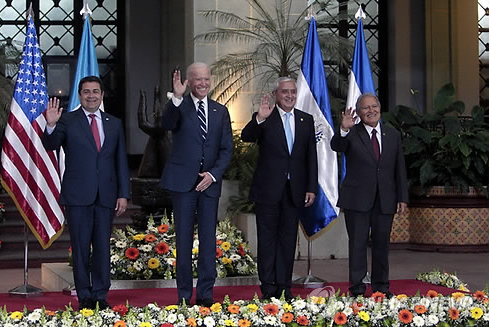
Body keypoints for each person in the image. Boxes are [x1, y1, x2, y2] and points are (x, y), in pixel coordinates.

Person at [42, 76, 130, 310]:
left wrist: (123, 193)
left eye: (95, 92)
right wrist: (50, 125)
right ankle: (85, 297)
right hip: (78, 196)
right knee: (80, 249)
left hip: (106, 196)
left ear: (102, 95)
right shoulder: (67, 121)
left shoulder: (115, 123)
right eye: (86, 92)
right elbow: (50, 145)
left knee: (102, 247)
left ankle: (101, 295)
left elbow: (120, 160)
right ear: (79, 95)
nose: (91, 96)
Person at [159, 62, 233, 306]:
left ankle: (205, 294)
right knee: (183, 240)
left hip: (209, 185)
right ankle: (183, 295)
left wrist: (212, 175)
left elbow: (226, 149)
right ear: (189, 81)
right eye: (197, 79)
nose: (203, 84)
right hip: (183, 185)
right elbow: (167, 124)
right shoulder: (180, 106)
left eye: (206, 79)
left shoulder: (220, 111)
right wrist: (176, 98)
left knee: (208, 242)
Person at [241, 77, 318, 300]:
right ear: (276, 94)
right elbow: (247, 136)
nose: (289, 96)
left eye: (293, 92)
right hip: (268, 191)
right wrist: (259, 118)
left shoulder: (306, 120)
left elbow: (310, 157)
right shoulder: (267, 117)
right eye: (285, 92)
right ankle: (268, 288)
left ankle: (285, 287)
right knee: (267, 241)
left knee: (287, 241)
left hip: (294, 191)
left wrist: (311, 187)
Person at [330, 93, 408, 297]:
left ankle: (381, 287)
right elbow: (336, 146)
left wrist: (402, 197)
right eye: (366, 108)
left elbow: (399, 168)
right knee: (357, 245)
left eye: (374, 106)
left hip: (385, 199)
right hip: (357, 199)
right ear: (358, 112)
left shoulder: (392, 134)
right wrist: (344, 129)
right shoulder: (352, 133)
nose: (371, 111)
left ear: (380, 109)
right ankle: (357, 288)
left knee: (382, 245)